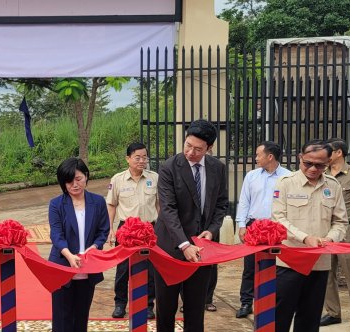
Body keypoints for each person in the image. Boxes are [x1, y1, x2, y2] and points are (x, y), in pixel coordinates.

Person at [154, 119, 228, 332]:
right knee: (166, 309)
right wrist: (185, 245)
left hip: (202, 249)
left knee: (196, 309)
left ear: (209, 148)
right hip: (170, 248)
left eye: (198, 149)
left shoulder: (217, 168)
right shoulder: (169, 167)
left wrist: (212, 230)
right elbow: (168, 210)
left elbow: (221, 204)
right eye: (188, 145)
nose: (190, 152)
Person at [272, 140, 348, 332]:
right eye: (308, 163)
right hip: (289, 261)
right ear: (300, 158)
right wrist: (305, 238)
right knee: (279, 315)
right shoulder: (285, 183)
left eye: (320, 165)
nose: (313, 168)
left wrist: (330, 239)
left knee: (310, 317)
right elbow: (278, 219)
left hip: (319, 263)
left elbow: (340, 221)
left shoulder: (333, 185)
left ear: (329, 162)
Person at [49, 157, 110, 331]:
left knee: (81, 318)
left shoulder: (97, 202)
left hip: (87, 267)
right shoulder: (56, 204)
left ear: (86, 177)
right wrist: (68, 255)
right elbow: (56, 234)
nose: (74, 185)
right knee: (62, 320)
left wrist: (95, 247)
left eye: (78, 179)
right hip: (62, 267)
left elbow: (103, 231)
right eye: (68, 181)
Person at [233, 141, 290, 318]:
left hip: (277, 228)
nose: (256, 158)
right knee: (250, 266)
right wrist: (242, 225)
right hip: (254, 226)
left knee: (277, 266)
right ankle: (246, 302)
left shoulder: (288, 177)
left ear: (270, 156)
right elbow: (244, 201)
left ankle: (272, 301)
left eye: (258, 154)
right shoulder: (252, 176)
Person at [106, 142, 158, 319]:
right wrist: (110, 229)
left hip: (149, 229)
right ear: (128, 158)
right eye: (138, 157)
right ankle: (120, 304)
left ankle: (148, 305)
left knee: (151, 269)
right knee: (123, 269)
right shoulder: (117, 179)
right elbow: (111, 205)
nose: (142, 161)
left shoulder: (154, 178)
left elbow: (160, 205)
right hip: (126, 231)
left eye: (145, 157)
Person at [320, 138, 350, 330]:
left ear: (339, 153)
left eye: (329, 151)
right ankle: (333, 312)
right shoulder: (323, 175)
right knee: (327, 273)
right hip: (327, 232)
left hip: (348, 230)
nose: (325, 155)